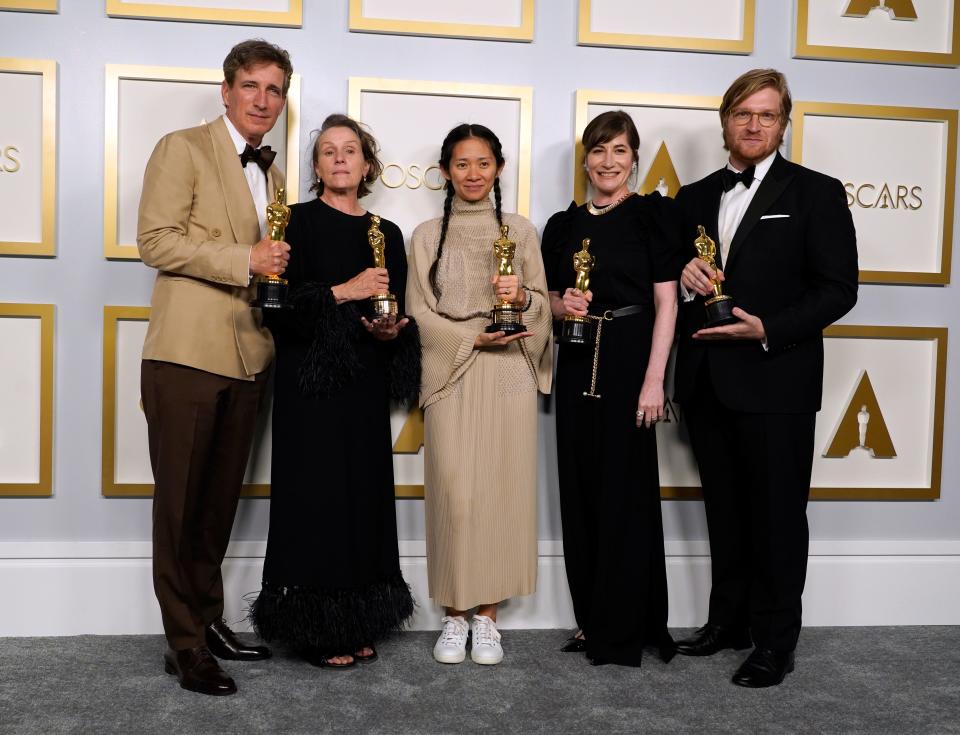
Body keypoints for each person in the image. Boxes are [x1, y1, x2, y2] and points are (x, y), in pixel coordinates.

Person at [673, 68, 858, 687]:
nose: (754, 125)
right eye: (742, 113)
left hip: (776, 378)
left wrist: (769, 328)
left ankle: (776, 641)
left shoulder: (816, 192)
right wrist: (685, 275)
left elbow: (838, 290)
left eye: (767, 115)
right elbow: (675, 278)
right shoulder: (693, 196)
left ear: (784, 123)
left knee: (778, 517)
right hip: (707, 381)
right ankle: (728, 622)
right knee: (725, 512)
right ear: (724, 119)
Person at [137, 39, 293, 696]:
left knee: (216, 502)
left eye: (275, 90)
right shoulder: (184, 147)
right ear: (226, 89)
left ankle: (206, 618)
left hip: (250, 356)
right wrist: (245, 261)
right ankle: (183, 643)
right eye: (252, 86)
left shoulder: (275, 175)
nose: (263, 100)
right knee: (179, 504)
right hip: (186, 354)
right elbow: (155, 239)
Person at [250, 114, 418, 668]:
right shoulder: (291, 222)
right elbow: (277, 309)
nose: (340, 159)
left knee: (361, 497)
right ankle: (314, 627)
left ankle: (360, 618)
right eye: (328, 151)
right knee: (314, 498)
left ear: (368, 165)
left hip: (365, 382)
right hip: (309, 384)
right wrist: (345, 291)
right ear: (317, 165)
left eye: (351, 150)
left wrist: (392, 330)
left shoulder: (387, 234)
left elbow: (394, 313)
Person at [407, 124, 552, 666]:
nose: (473, 174)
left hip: (510, 370)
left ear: (499, 168)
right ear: (445, 171)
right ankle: (453, 614)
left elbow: (540, 304)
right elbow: (418, 311)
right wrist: (471, 336)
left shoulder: (522, 230)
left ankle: (487, 618)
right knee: (454, 493)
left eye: (484, 163)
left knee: (502, 493)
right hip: (452, 369)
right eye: (462, 164)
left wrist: (524, 299)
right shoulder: (423, 234)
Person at [541, 110, 682, 667]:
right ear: (585, 159)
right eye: (598, 150)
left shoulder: (653, 216)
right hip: (577, 358)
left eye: (619, 151)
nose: (607, 161)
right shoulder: (562, 225)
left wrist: (654, 382)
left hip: (629, 361)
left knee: (625, 495)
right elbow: (548, 297)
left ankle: (626, 628)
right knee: (579, 492)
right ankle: (591, 621)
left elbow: (668, 303)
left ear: (634, 159)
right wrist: (561, 304)